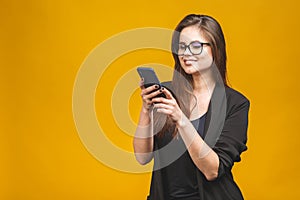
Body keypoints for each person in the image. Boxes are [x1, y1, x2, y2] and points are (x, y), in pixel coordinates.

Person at [133, 14, 250, 200]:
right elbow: (142, 157)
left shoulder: (235, 104)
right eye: (181, 46)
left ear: (215, 49)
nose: (186, 53)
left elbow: (212, 170)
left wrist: (181, 119)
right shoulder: (168, 93)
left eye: (196, 46)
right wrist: (146, 111)